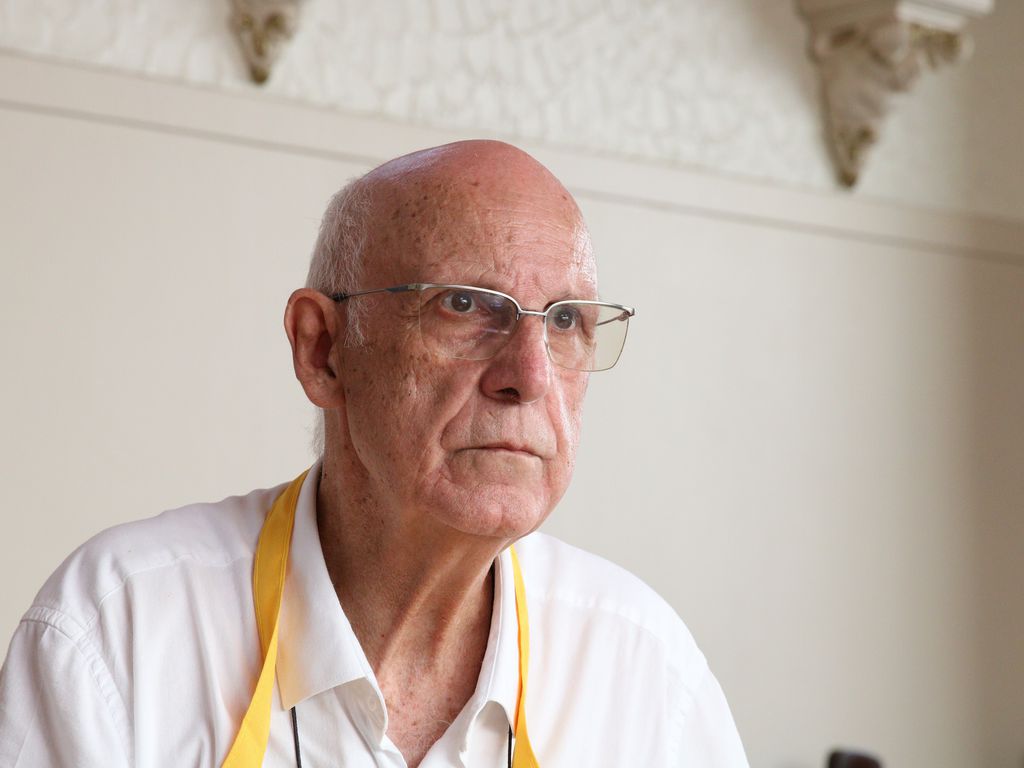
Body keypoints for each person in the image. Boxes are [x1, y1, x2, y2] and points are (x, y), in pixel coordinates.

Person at [0, 140, 748, 767]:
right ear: (322, 350)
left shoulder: (647, 674)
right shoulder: (117, 632)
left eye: (565, 320)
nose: (529, 375)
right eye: (464, 305)